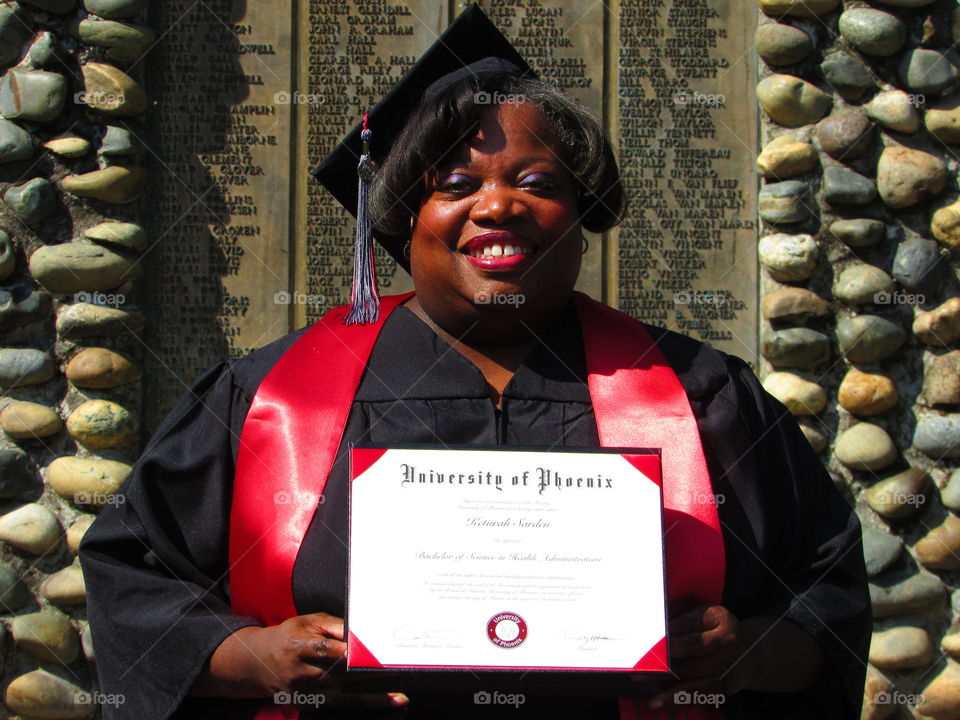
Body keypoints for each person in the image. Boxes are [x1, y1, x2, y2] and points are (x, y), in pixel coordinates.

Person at [79, 5, 870, 720]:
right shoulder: (268, 400)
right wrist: (248, 659)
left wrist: (750, 654)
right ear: (400, 215)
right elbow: (135, 575)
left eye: (537, 181)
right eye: (455, 183)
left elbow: (824, 587)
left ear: (584, 212)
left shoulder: (701, 395)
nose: (497, 205)